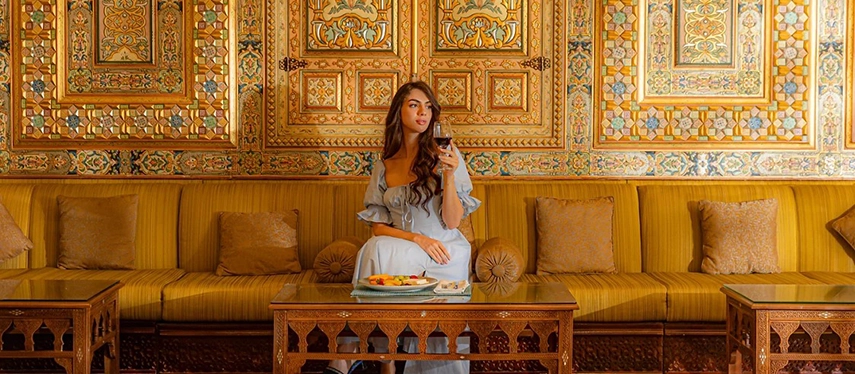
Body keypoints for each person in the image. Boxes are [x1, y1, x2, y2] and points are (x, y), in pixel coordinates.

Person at [324, 81, 480, 374]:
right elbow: (378, 228)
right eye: (414, 105)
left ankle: (355, 350)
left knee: (381, 251)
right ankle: (377, 354)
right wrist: (416, 238)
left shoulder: (445, 151)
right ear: (399, 111)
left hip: (443, 246)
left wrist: (448, 175)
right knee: (377, 247)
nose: (423, 112)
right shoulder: (385, 164)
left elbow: (453, 221)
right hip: (406, 243)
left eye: (428, 107)